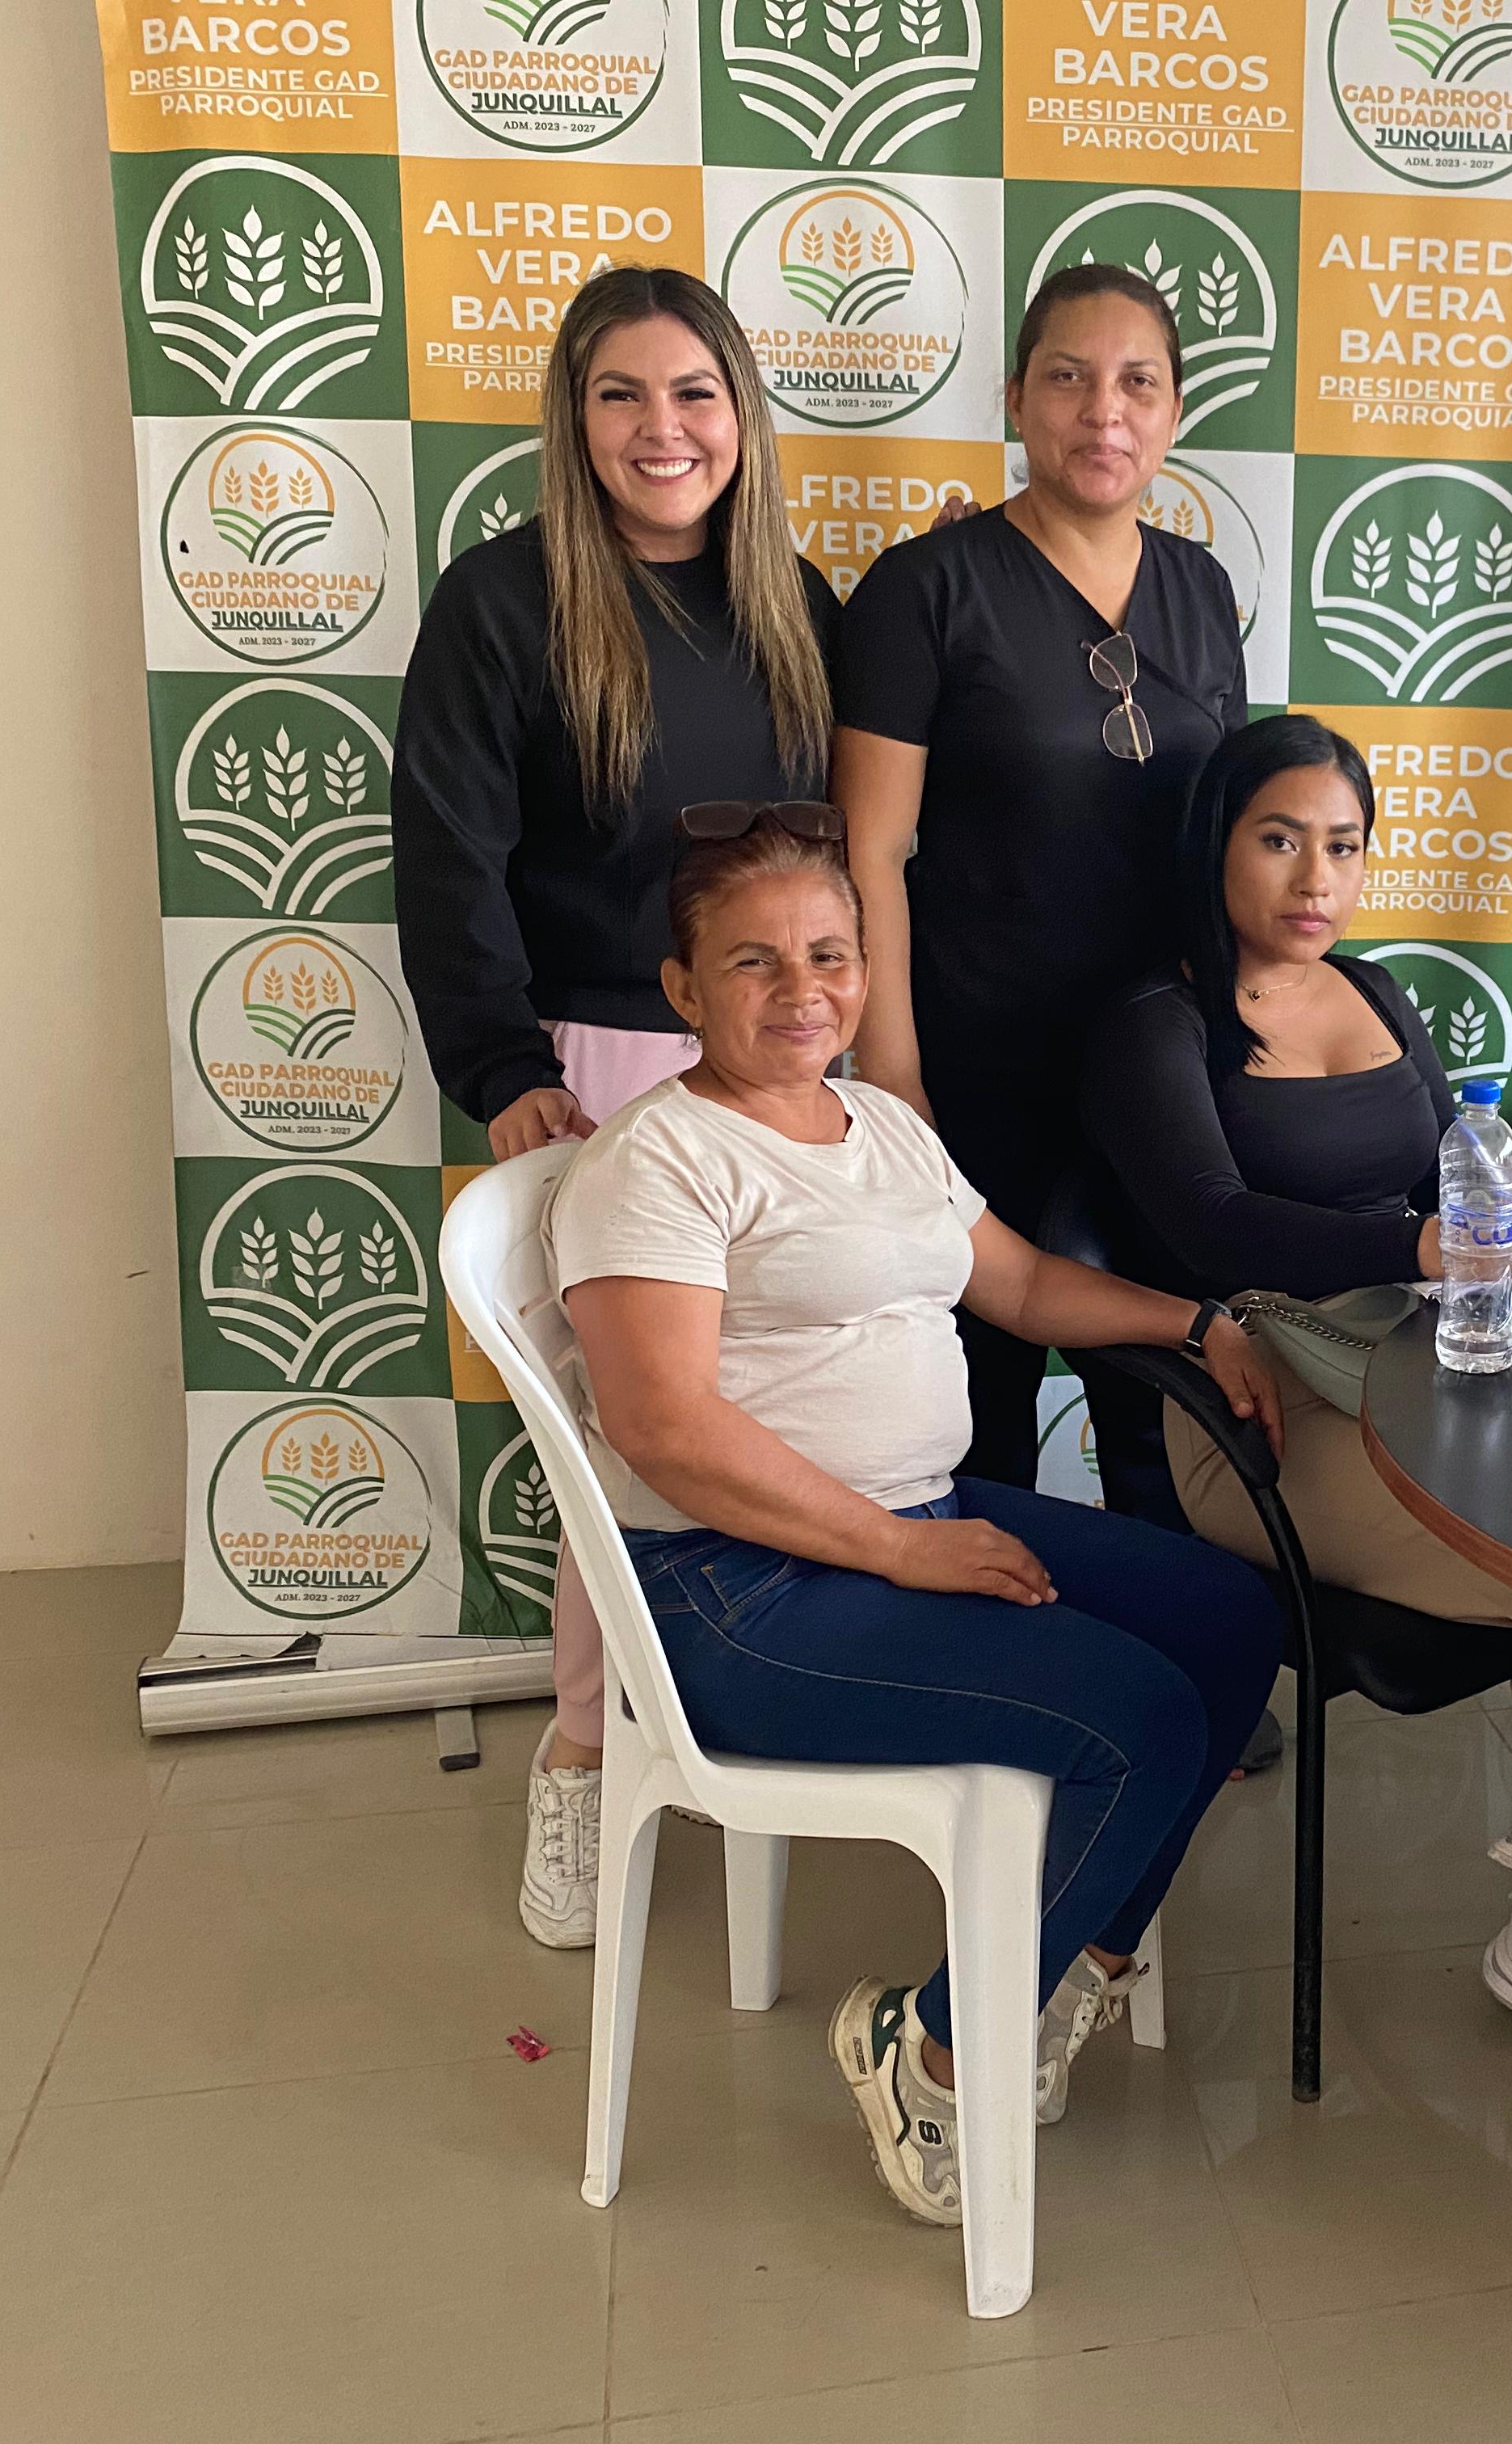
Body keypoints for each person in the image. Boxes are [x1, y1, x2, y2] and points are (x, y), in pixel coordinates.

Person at [548, 805, 1286, 2225]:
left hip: (915, 1514)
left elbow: (1020, 1284)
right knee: (1135, 1721)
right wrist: (899, 1548)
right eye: (754, 961)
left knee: (1227, 1618)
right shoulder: (659, 1161)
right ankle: (933, 2047)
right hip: (735, 1591)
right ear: (683, 988)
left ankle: (1067, 1967)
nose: (803, 989)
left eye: (830, 953)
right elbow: (663, 1429)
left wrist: (1197, 1321)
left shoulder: (879, 1122)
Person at [1076, 717, 1512, 2103]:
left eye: (1342, 844)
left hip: (1429, 1361)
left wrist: (1511, 1219)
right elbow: (1208, 1222)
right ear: (1215, 845)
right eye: (1279, 839)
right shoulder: (1157, 1022)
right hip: (1255, 1408)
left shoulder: (1376, 990)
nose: (1314, 876)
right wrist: (1420, 1240)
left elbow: (1453, 1175)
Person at [391, 265, 842, 1953]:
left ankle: (762, 1714)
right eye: (623, 396)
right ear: (574, 422)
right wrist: (506, 1070)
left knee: (786, 1417)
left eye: (696, 393)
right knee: (627, 1446)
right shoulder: (503, 604)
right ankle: (583, 1755)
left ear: (742, 415)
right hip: (598, 1078)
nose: (664, 430)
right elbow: (447, 856)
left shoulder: (796, 600)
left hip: (784, 1064)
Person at [831, 263, 1247, 1500]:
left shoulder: (1201, 587)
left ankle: (1169, 1626)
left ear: (1175, 411)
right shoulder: (925, 587)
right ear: (1016, 397)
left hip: (1161, 1071)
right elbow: (870, 851)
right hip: (978, 1064)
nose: (1103, 412)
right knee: (978, 1402)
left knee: (1166, 1407)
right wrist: (894, 1079)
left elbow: (1227, 836)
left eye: (1138, 383)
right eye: (1069, 377)